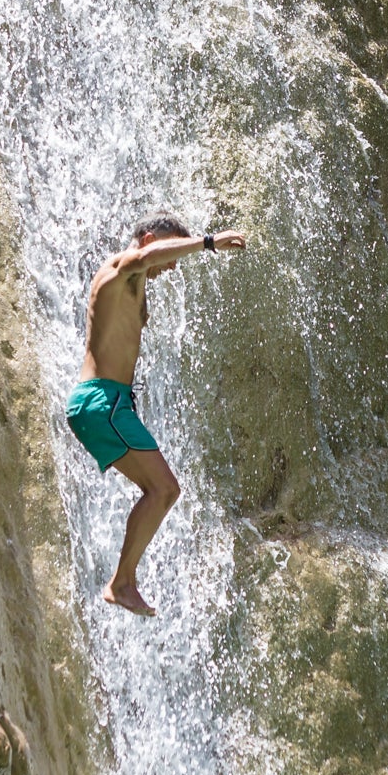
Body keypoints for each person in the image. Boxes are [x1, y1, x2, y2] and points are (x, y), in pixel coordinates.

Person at [65, 211, 247, 616]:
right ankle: (121, 582)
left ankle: (123, 581)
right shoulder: (119, 267)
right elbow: (145, 258)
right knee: (164, 489)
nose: (171, 268)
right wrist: (207, 242)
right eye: (167, 256)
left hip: (112, 403)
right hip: (100, 403)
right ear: (147, 239)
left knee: (163, 490)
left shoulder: (137, 282)